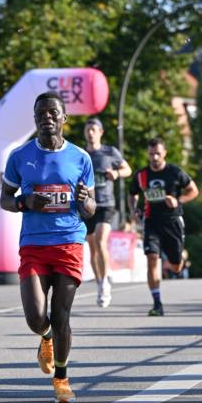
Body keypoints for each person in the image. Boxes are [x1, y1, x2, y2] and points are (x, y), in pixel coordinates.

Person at [0, 92, 95, 403]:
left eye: (53, 112)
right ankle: (46, 338)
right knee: (35, 316)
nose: (47, 117)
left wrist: (85, 201)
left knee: (61, 313)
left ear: (65, 118)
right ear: (35, 118)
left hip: (69, 242)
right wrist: (23, 202)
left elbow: (92, 207)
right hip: (34, 245)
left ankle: (62, 378)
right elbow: (4, 199)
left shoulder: (81, 158)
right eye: (41, 113)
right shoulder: (19, 156)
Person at [128, 137, 199, 316]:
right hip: (151, 221)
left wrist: (178, 200)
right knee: (152, 258)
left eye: (158, 153)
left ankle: (179, 257)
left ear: (164, 153)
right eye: (151, 154)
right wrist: (134, 209)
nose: (155, 157)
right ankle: (157, 303)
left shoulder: (174, 172)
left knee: (176, 267)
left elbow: (194, 191)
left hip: (172, 222)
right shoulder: (141, 175)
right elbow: (133, 193)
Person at [83, 117, 131, 308]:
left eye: (94, 129)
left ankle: (105, 285)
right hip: (87, 205)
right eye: (88, 129)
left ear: (101, 132)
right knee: (93, 247)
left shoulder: (110, 152)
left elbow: (128, 168)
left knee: (101, 241)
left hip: (106, 203)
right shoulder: (81, 154)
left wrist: (117, 174)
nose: (90, 132)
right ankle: (100, 282)